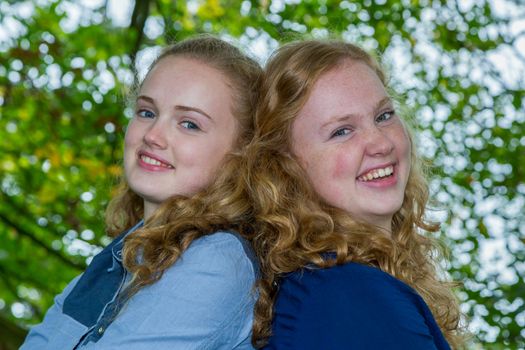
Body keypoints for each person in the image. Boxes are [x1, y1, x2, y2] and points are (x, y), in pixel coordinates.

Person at [21, 35, 262, 349]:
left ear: (243, 153)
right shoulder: (121, 253)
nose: (153, 135)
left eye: (189, 124)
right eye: (147, 112)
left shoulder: (218, 260)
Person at [244, 40, 465, 349]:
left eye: (384, 115)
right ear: (285, 167)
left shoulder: (332, 285)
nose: (381, 143)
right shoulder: (347, 291)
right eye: (342, 131)